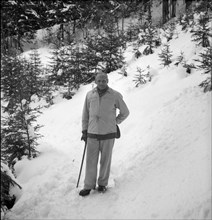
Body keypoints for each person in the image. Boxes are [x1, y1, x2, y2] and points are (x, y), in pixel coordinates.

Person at [79, 72, 129, 196]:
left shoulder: (114, 95)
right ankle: (88, 186)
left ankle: (102, 184)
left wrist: (115, 122)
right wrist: (84, 130)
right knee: (90, 161)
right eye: (99, 80)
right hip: (92, 134)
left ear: (107, 81)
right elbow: (85, 114)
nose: (102, 82)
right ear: (95, 81)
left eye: (104, 80)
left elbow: (125, 112)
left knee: (105, 160)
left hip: (108, 134)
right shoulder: (90, 95)